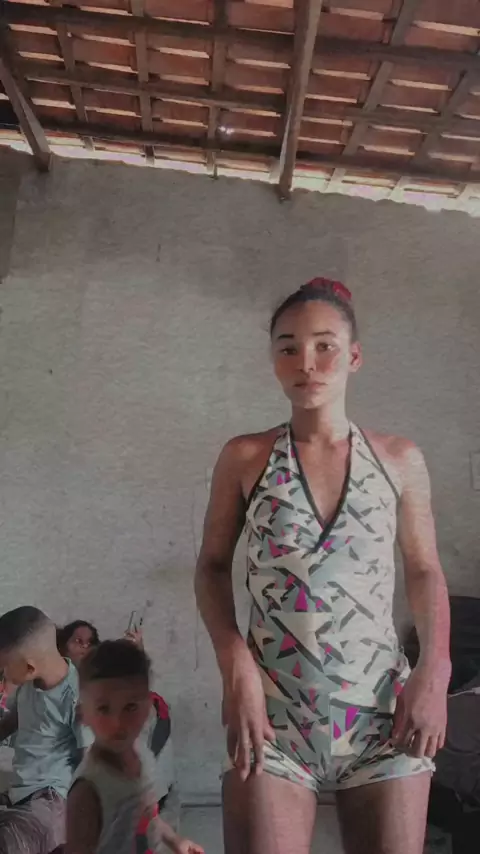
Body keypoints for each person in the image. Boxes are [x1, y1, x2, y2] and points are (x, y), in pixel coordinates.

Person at [195, 278, 451, 854]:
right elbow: (211, 567)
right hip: (272, 716)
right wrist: (235, 668)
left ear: (354, 356)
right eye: (288, 347)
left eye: (324, 345)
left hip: (383, 714)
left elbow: (425, 571)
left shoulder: (399, 460)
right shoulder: (247, 457)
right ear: (273, 360)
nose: (306, 362)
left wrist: (434, 671)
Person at [66, 639, 203, 854]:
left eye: (130, 707)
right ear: (83, 714)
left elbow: (148, 815)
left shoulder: (142, 754)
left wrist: (175, 841)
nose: (117, 723)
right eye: (103, 708)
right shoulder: (88, 791)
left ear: (148, 707)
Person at [0, 605, 93, 854]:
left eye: (4, 667)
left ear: (29, 667)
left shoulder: (78, 696)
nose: (2, 674)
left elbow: (89, 762)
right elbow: (11, 722)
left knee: (10, 843)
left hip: (52, 799)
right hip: (21, 793)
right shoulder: (29, 685)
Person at [58, 618, 174, 805]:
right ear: (63, 648)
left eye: (90, 642)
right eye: (78, 641)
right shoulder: (57, 687)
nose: (85, 647)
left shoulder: (107, 686)